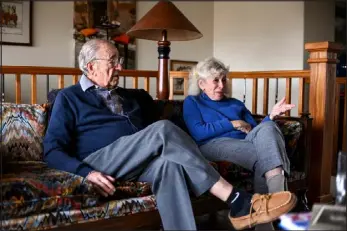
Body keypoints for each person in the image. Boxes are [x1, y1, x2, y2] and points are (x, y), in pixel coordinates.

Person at [43, 39, 296, 231]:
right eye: (112, 61)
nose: (120, 66)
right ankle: (238, 199)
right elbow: (52, 150)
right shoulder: (69, 98)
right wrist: (87, 172)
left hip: (138, 159)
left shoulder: (130, 96)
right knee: (162, 129)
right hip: (99, 160)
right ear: (90, 67)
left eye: (119, 60)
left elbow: (160, 133)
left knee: (169, 166)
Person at [183, 57, 296, 230]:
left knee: (269, 128)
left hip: (245, 142)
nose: (221, 85)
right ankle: (273, 210)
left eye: (223, 79)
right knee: (263, 156)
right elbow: (198, 132)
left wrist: (271, 116)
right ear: (201, 84)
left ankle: (271, 203)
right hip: (212, 144)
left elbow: (256, 130)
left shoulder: (235, 103)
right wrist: (233, 123)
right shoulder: (193, 102)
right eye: (216, 80)